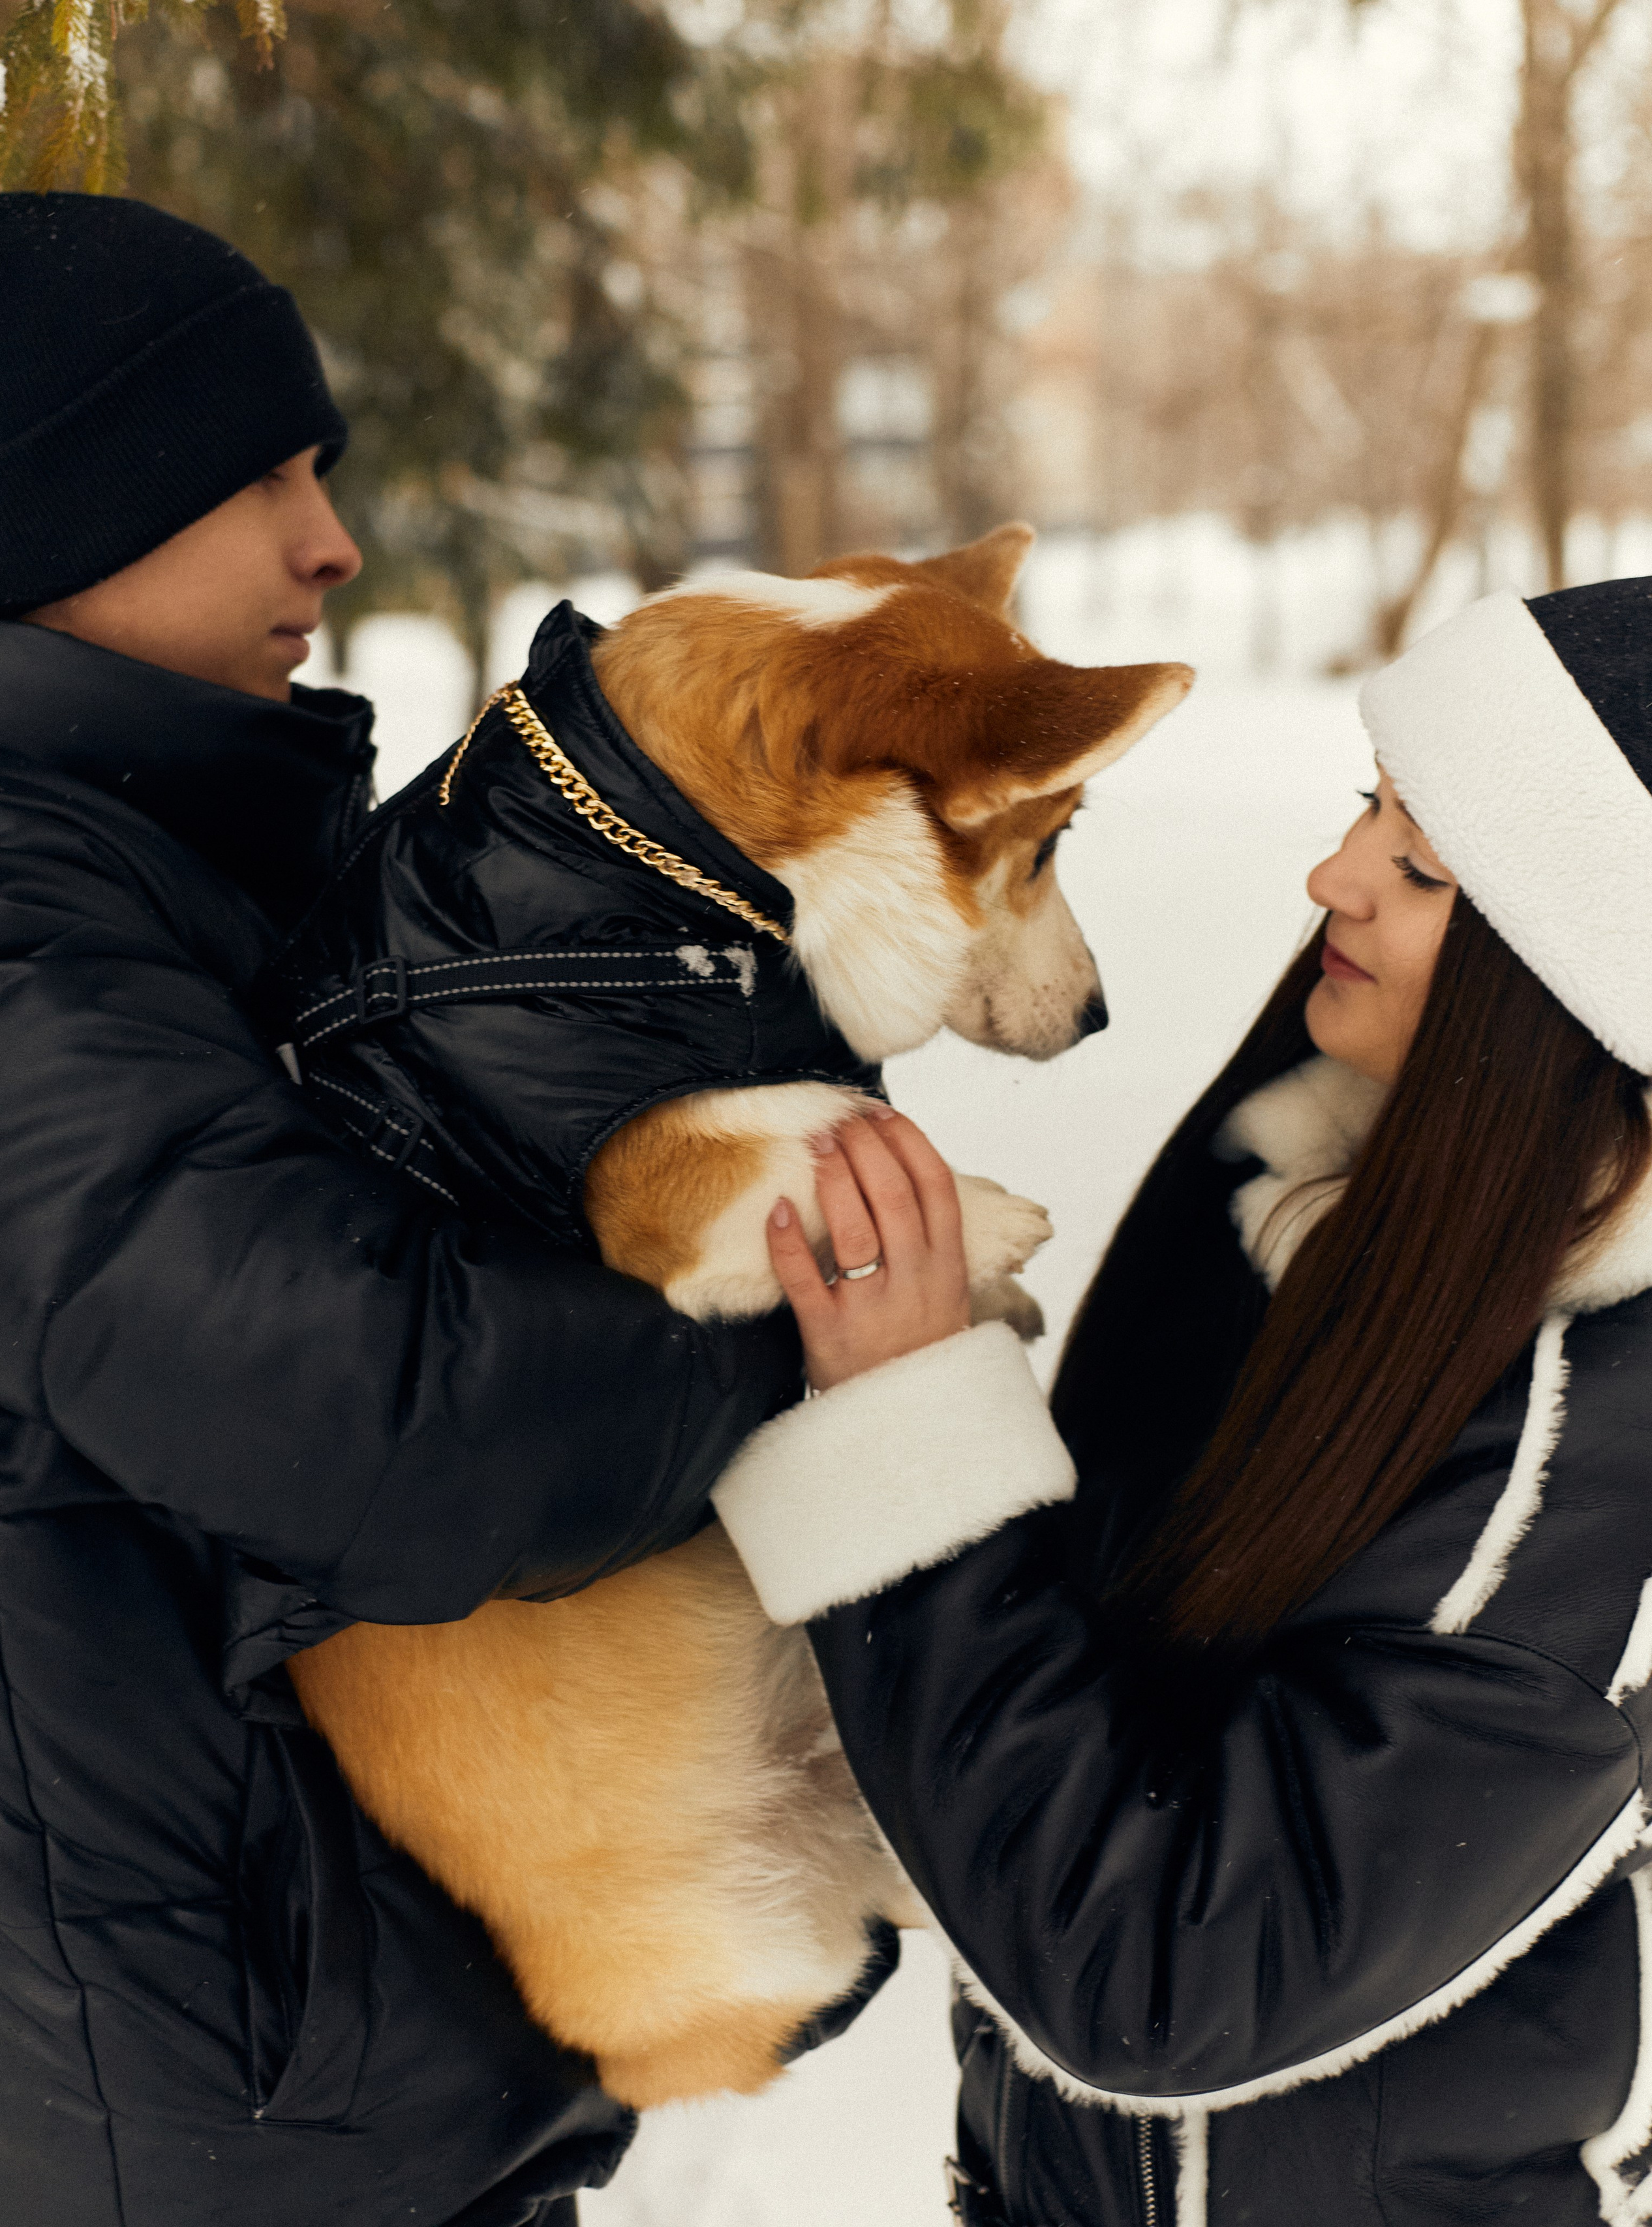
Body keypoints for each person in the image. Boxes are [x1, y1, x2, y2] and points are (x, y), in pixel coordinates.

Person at [0, 189, 825, 2227]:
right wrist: (801, 1309)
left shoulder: (151, 861)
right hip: (192, 2110)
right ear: (46, 518)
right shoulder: (15, 939)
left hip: (285, 2050)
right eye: (249, 475)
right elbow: (364, 1410)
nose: (327, 541)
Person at [708, 576, 1652, 2225]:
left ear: (1576, 978)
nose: (1330, 878)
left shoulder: (1584, 1463)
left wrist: (909, 1459)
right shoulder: (1325, 1218)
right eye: (1368, 809)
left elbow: (1163, 1973)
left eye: (1421, 868)